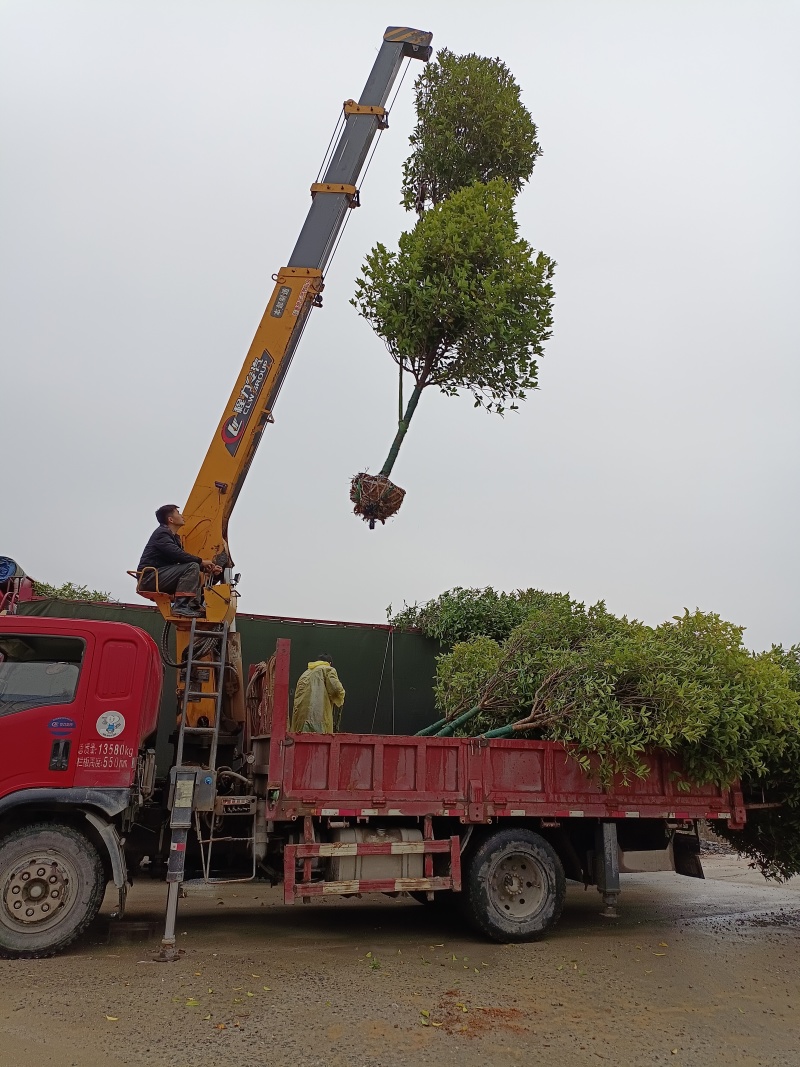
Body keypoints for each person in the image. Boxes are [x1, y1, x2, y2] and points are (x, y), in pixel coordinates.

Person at [137, 504, 221, 618]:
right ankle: (181, 606)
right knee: (192, 566)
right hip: (150, 578)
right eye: (178, 513)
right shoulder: (162, 533)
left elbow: (181, 562)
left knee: (195, 569)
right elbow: (178, 555)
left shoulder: (174, 537)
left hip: (160, 576)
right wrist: (201, 561)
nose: (182, 516)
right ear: (170, 519)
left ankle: (193, 605)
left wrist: (206, 568)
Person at [291, 654, 345, 734]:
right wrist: (341, 697)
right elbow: (336, 689)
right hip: (318, 720)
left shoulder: (305, 674)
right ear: (329, 663)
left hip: (300, 722)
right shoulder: (328, 669)